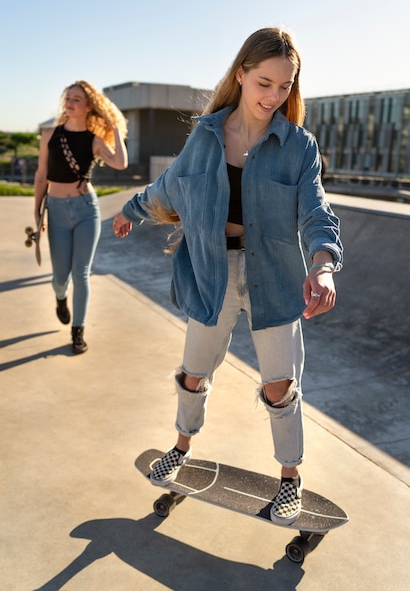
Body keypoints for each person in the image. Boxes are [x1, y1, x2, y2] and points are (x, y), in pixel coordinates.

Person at [113, 27, 343, 525]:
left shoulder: (298, 145)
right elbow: (172, 186)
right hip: (214, 270)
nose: (274, 96)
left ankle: (290, 481)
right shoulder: (208, 134)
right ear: (241, 75)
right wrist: (132, 209)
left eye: (284, 86)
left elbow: (316, 212)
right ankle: (181, 447)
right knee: (194, 373)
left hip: (276, 278)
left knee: (281, 386)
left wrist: (323, 265)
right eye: (264, 83)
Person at [34, 80, 128, 354]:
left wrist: (113, 129)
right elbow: (41, 175)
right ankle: (60, 297)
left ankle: (78, 331)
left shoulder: (94, 139)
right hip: (56, 209)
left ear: (88, 107)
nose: (70, 102)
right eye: (68, 97)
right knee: (61, 276)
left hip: (86, 208)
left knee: (82, 273)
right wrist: (37, 211)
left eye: (77, 99)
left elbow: (120, 163)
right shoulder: (49, 134)